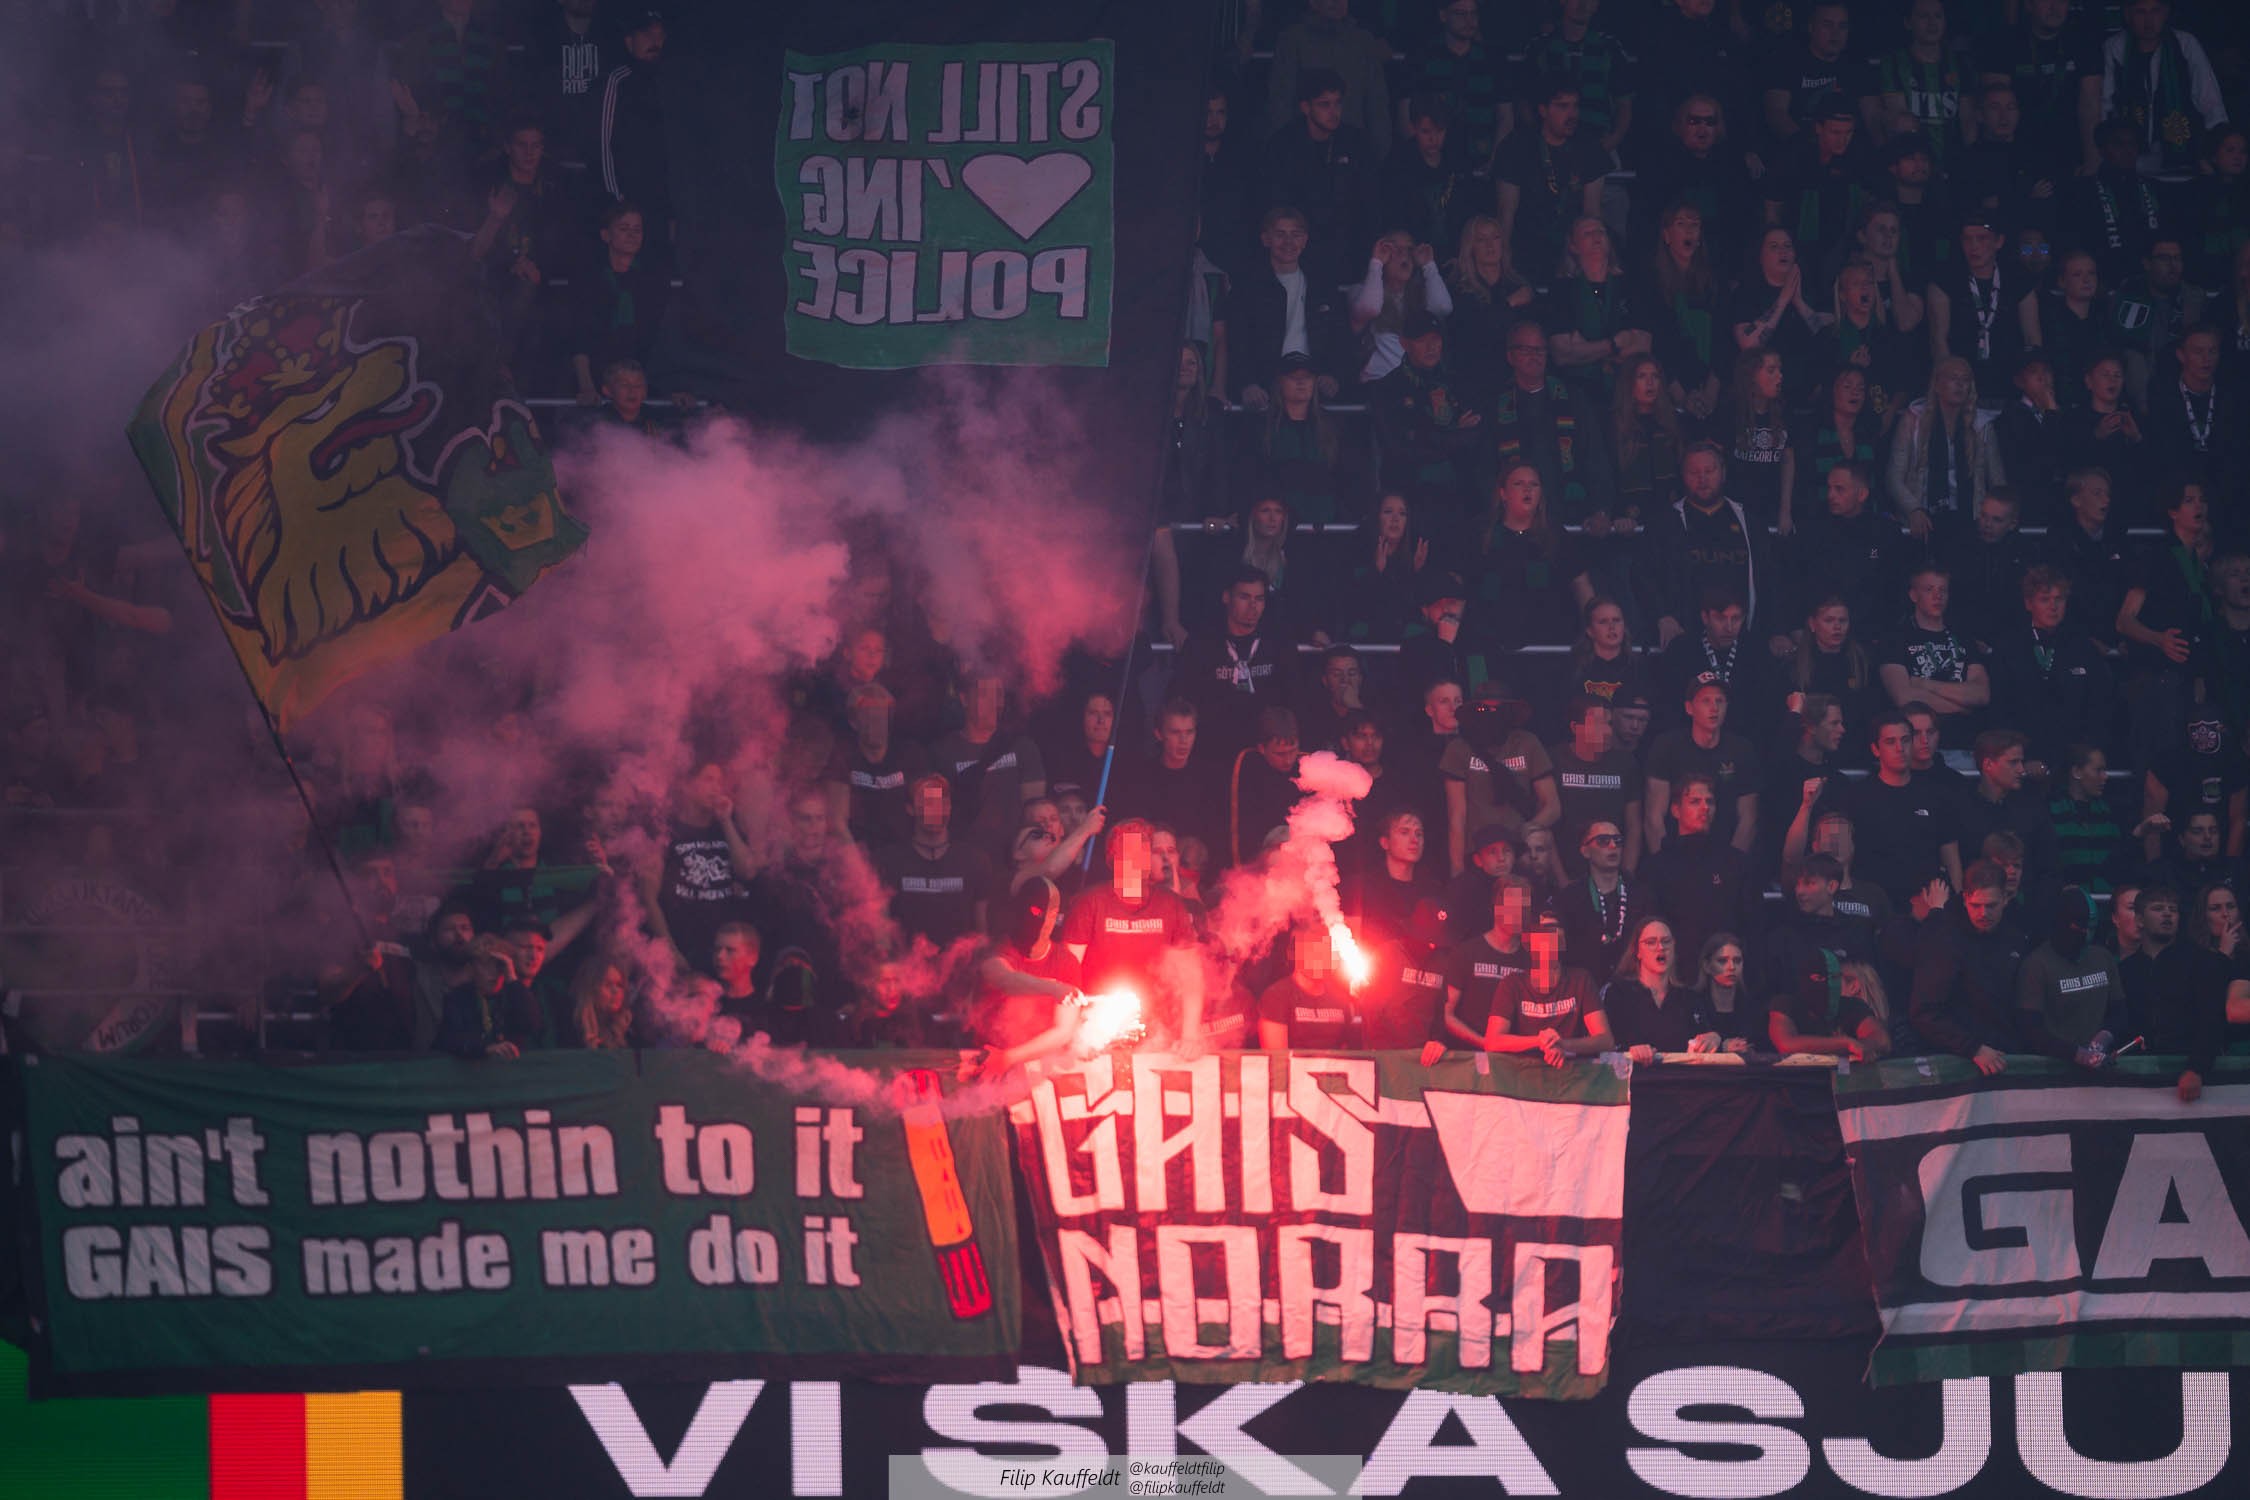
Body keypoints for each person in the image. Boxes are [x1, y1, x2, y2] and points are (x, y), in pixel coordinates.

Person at [1062, 819, 1200, 1045]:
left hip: (1159, 1031)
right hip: (1098, 1029)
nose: (1138, 859)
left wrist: (1190, 1035)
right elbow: (1068, 974)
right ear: (1113, 859)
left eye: (1144, 850)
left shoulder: (1171, 905)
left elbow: (1191, 975)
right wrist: (1072, 1034)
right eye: (1129, 852)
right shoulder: (1089, 903)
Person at [2116, 885, 2239, 1100]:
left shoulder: (2201, 961)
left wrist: (2196, 1068)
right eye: (2158, 908)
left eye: (2173, 909)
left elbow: (2211, 1019)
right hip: (2135, 1078)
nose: (2167, 913)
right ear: (2140, 920)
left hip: (2189, 1074)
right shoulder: (2125, 970)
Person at [1261, 70, 1380, 291]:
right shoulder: (1283, 146)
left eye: (1337, 103)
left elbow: (1370, 205)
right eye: (1324, 105)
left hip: (1350, 260)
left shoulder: (1356, 142)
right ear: (1305, 107)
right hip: (1299, 261)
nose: (1333, 112)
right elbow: (1275, 208)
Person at [960, 876, 1089, 1079]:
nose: (1045, 922)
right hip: (983, 1058)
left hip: (1036, 1065)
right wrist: (1054, 988)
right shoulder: (998, 950)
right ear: (1020, 911)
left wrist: (1009, 1058)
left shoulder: (1065, 961)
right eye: (1037, 912)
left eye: (1053, 915)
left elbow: (1063, 1031)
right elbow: (1006, 980)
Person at [1988, 567, 2115, 772]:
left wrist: (2086, 756)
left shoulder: (2083, 647)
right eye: (2045, 600)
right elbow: (2001, 710)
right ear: (2029, 603)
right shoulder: (2009, 648)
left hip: (2075, 761)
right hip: (2024, 760)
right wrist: (2021, 760)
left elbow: (2100, 707)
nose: (2053, 607)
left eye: (2059, 599)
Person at [1909, 859, 2030, 1074]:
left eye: (1991, 905)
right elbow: (1924, 1012)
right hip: (1957, 1064)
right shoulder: (1945, 940)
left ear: (2005, 898)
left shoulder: (2017, 940)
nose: (1983, 913)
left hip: (2007, 1057)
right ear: (1965, 899)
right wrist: (1973, 1048)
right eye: (1976, 905)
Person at [1174, 567, 1301, 759]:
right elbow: (1184, 697)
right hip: (1213, 746)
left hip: (1267, 748)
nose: (1253, 606)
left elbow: (1294, 696)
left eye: (1259, 599)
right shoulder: (1202, 643)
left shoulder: (1278, 641)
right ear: (1227, 597)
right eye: (1244, 597)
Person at [1493, 80, 1609, 282]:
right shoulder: (1516, 146)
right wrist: (1504, 259)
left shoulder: (1589, 146)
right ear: (1543, 110)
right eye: (1563, 106)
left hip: (1572, 248)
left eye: (1575, 106)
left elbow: (1592, 212)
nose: (1572, 114)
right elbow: (1506, 214)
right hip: (1525, 246)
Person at [1230, 208, 1348, 405]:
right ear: (1266, 239)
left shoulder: (1323, 287)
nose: (1288, 242)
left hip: (1314, 387)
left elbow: (1341, 337)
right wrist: (1247, 383)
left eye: (1296, 235)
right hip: (1265, 388)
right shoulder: (1248, 287)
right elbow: (1238, 340)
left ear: (1305, 240)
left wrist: (1334, 375)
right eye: (1280, 234)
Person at [1471, 462, 1592, 650]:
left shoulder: (1556, 536)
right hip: (1491, 643)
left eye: (1534, 484)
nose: (1527, 489)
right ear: (1503, 493)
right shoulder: (1482, 534)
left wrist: (1591, 631)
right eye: (1519, 484)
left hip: (1548, 643)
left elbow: (1581, 585)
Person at [2098, 0, 2228, 177]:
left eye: (2155, 11)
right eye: (2141, 12)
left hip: (2184, 160)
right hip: (2128, 160)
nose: (2149, 20)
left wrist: (2220, 148)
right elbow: (2104, 104)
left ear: (2166, 12)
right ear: (2128, 15)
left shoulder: (2185, 44)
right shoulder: (2114, 47)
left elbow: (2209, 100)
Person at [1441, 682, 1560, 873]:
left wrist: (1525, 832)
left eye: (1499, 709)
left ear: (1509, 712)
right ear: (1473, 712)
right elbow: (1457, 815)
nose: (1492, 714)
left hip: (1519, 854)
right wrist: (1457, 870)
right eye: (1483, 709)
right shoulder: (1459, 749)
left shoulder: (1526, 743)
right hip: (1478, 856)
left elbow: (1552, 806)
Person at [1851, 711, 1965, 903]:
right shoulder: (1857, 797)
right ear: (1875, 749)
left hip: (1926, 905)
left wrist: (1958, 901)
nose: (1900, 748)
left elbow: (1951, 859)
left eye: (1905, 740)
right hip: (1874, 906)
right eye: (1890, 742)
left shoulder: (1936, 795)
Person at [1638, 774, 1753, 963]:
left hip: (1724, 967)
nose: (1705, 807)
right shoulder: (1656, 868)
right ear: (1676, 810)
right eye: (1695, 802)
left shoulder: (1735, 863)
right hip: (1676, 969)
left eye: (1710, 802)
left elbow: (1748, 927)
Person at [874, 774, 993, 952]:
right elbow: (881, 929)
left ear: (949, 807)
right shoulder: (888, 861)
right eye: (927, 803)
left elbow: (982, 932)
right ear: (911, 809)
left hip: (961, 964)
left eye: (941, 803)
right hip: (908, 965)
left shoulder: (975, 861)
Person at [1643, 681, 1759, 855]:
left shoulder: (1741, 750)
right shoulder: (1667, 746)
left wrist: (1734, 863)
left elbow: (1748, 820)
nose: (1714, 708)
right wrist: (1663, 864)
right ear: (1689, 708)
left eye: (1719, 701)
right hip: (1675, 855)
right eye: (1706, 701)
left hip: (1725, 856)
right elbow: (1654, 818)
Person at [1480, 914, 1612, 1065]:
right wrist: (1539, 1041)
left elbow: (1605, 1040)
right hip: (1523, 1074)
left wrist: (1563, 1045)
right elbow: (1493, 1041)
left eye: (1555, 932)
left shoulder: (1580, 980)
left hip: (1569, 1073)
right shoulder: (1512, 984)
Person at [1267, 3, 1394, 157]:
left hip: (1354, 151)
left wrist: (1380, 151)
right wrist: (1283, 151)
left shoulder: (1363, 41)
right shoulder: (1292, 40)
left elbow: (1377, 103)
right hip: (1303, 152)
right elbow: (1281, 102)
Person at [2017, 887, 2126, 1062]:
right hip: (2055, 1067)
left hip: (2100, 1062)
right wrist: (2076, 1053)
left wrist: (2106, 1035)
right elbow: (2031, 1029)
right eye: (2080, 929)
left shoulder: (2103, 958)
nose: (2087, 936)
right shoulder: (2037, 964)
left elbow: (2119, 1012)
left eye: (2091, 928)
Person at [1879, 564, 1991, 726]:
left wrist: (1924, 684)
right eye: (1929, 589)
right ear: (1913, 595)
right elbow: (1903, 697)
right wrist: (1960, 707)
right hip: (1919, 735)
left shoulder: (1963, 638)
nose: (1937, 596)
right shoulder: (1895, 638)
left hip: (1966, 734)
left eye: (1942, 590)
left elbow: (1981, 694)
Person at [1602, 916, 1726, 1060]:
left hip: (1680, 1074)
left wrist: (1714, 1038)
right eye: (1651, 942)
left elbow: (1705, 1038)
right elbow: (1606, 1045)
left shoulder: (1689, 998)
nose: (1660, 947)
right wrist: (1629, 1050)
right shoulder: (1617, 993)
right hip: (1635, 1073)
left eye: (1666, 941)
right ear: (1637, 951)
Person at [597, 9, 671, 245]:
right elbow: (603, 145)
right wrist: (617, 199)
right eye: (647, 35)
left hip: (668, 205)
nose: (654, 42)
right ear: (629, 42)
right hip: (630, 204)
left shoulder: (673, 81)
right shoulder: (618, 80)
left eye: (659, 35)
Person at [1440, 875, 1535, 1046]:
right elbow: (1446, 1014)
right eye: (1512, 906)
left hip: (1512, 1057)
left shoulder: (1530, 960)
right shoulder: (1467, 953)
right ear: (1496, 907)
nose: (1518, 913)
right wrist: (1484, 1042)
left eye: (1523, 907)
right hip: (1469, 1055)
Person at [1549, 698, 1643, 869]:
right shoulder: (1555, 760)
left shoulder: (1625, 763)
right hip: (1566, 866)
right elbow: (1547, 827)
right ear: (1575, 728)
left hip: (1612, 868)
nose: (1607, 731)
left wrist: (1627, 876)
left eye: (1609, 724)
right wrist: (1561, 879)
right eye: (1598, 724)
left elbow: (1634, 827)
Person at [1352, 229, 1456, 383]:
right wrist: (1377, 263)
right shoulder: (1361, 291)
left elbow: (1443, 308)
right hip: (1379, 384)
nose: (1404, 255)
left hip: (1416, 384)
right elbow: (1370, 308)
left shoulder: (1422, 293)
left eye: (1409, 249)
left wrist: (1429, 266)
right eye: (1395, 249)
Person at [1550, 818, 1639, 976]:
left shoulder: (1640, 894)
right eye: (1603, 841)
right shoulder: (1569, 899)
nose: (1613, 846)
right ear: (1585, 851)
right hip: (1584, 985)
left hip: (1631, 983)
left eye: (1618, 841)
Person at [436, 935, 542, 1060]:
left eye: (498, 965)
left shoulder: (514, 995)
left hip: (513, 1068)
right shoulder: (458, 998)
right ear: (471, 967)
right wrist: (485, 1048)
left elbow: (531, 1025)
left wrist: (512, 977)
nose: (493, 972)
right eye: (485, 965)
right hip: (474, 1069)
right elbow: (450, 1040)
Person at [1259, 925, 1366, 1050]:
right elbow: (1276, 1056)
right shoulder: (1277, 996)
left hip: (1334, 1063)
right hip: (1293, 1063)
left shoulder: (1340, 997)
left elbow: (1353, 1050)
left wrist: (1362, 1006)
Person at [1228, 707, 1304, 868]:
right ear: (1262, 748)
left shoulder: (1308, 765)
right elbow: (1242, 832)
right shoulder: (1247, 766)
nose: (1288, 760)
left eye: (1292, 751)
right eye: (1280, 754)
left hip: (1305, 847)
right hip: (1262, 855)